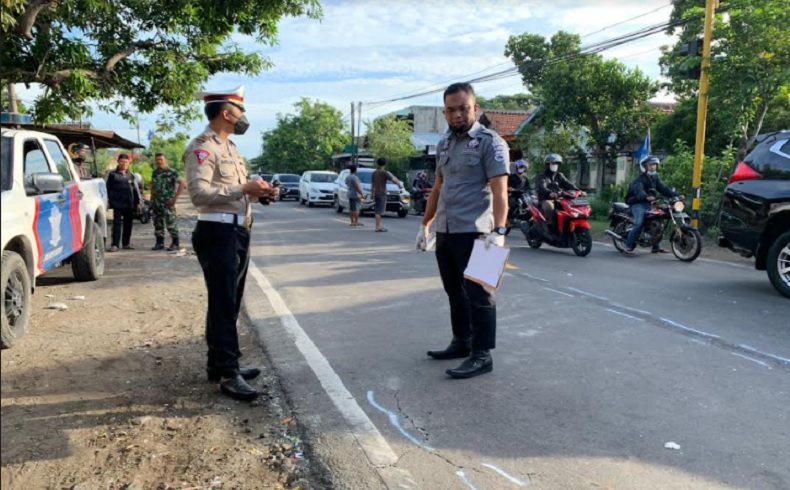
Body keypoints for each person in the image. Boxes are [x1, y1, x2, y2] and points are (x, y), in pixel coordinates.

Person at [184, 85, 278, 401]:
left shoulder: (232, 149)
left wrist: (259, 193)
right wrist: (242, 188)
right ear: (227, 113)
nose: (243, 116)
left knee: (230, 301)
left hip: (237, 231)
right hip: (216, 233)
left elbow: (239, 192)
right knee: (224, 302)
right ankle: (228, 373)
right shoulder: (202, 148)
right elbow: (198, 195)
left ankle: (221, 362)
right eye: (240, 110)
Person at [415, 82, 509, 379]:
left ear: (475, 109)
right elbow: (437, 188)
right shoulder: (444, 144)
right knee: (454, 292)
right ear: (444, 112)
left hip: (480, 232)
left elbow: (501, 191)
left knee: (480, 295)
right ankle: (462, 342)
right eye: (451, 110)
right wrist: (425, 224)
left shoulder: (491, 142)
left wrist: (501, 230)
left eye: (463, 108)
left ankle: (482, 355)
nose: (457, 115)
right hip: (447, 231)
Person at [624, 155, 678, 255]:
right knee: (638, 223)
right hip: (638, 204)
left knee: (658, 222)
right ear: (645, 167)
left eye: (654, 165)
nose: (653, 167)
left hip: (650, 203)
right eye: (650, 165)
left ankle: (655, 247)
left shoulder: (655, 178)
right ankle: (629, 246)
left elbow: (663, 188)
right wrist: (646, 196)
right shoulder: (639, 180)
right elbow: (639, 191)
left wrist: (676, 196)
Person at [536, 154, 583, 233]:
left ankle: (565, 227)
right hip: (546, 199)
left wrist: (579, 191)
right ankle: (549, 227)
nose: (555, 165)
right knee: (549, 206)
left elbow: (569, 184)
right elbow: (542, 187)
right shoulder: (542, 176)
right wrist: (550, 193)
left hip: (559, 199)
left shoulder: (560, 175)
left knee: (569, 207)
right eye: (553, 163)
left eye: (556, 163)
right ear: (548, 164)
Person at [150, 153, 186, 251]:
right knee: (157, 223)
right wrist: (151, 199)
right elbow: (153, 186)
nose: (159, 161)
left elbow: (182, 183)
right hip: (157, 202)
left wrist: (175, 198)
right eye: (157, 159)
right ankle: (159, 243)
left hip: (168, 202)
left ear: (165, 160)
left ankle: (175, 243)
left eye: (161, 159)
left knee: (171, 222)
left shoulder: (172, 172)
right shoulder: (155, 172)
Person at [105, 153, 139, 252]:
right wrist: (108, 201)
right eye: (122, 162)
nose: (124, 164)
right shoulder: (111, 174)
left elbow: (135, 190)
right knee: (116, 225)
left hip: (129, 204)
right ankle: (115, 244)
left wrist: (137, 203)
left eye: (126, 162)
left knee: (128, 225)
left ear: (129, 163)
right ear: (118, 162)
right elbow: (106, 188)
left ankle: (126, 243)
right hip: (117, 204)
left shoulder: (131, 175)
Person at [370, 157, 403, 232]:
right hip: (382, 193)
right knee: (379, 211)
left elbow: (372, 184)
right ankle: (377, 227)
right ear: (384, 164)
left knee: (377, 209)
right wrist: (399, 185)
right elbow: (393, 179)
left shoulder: (374, 173)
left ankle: (378, 226)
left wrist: (372, 193)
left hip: (376, 193)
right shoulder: (385, 173)